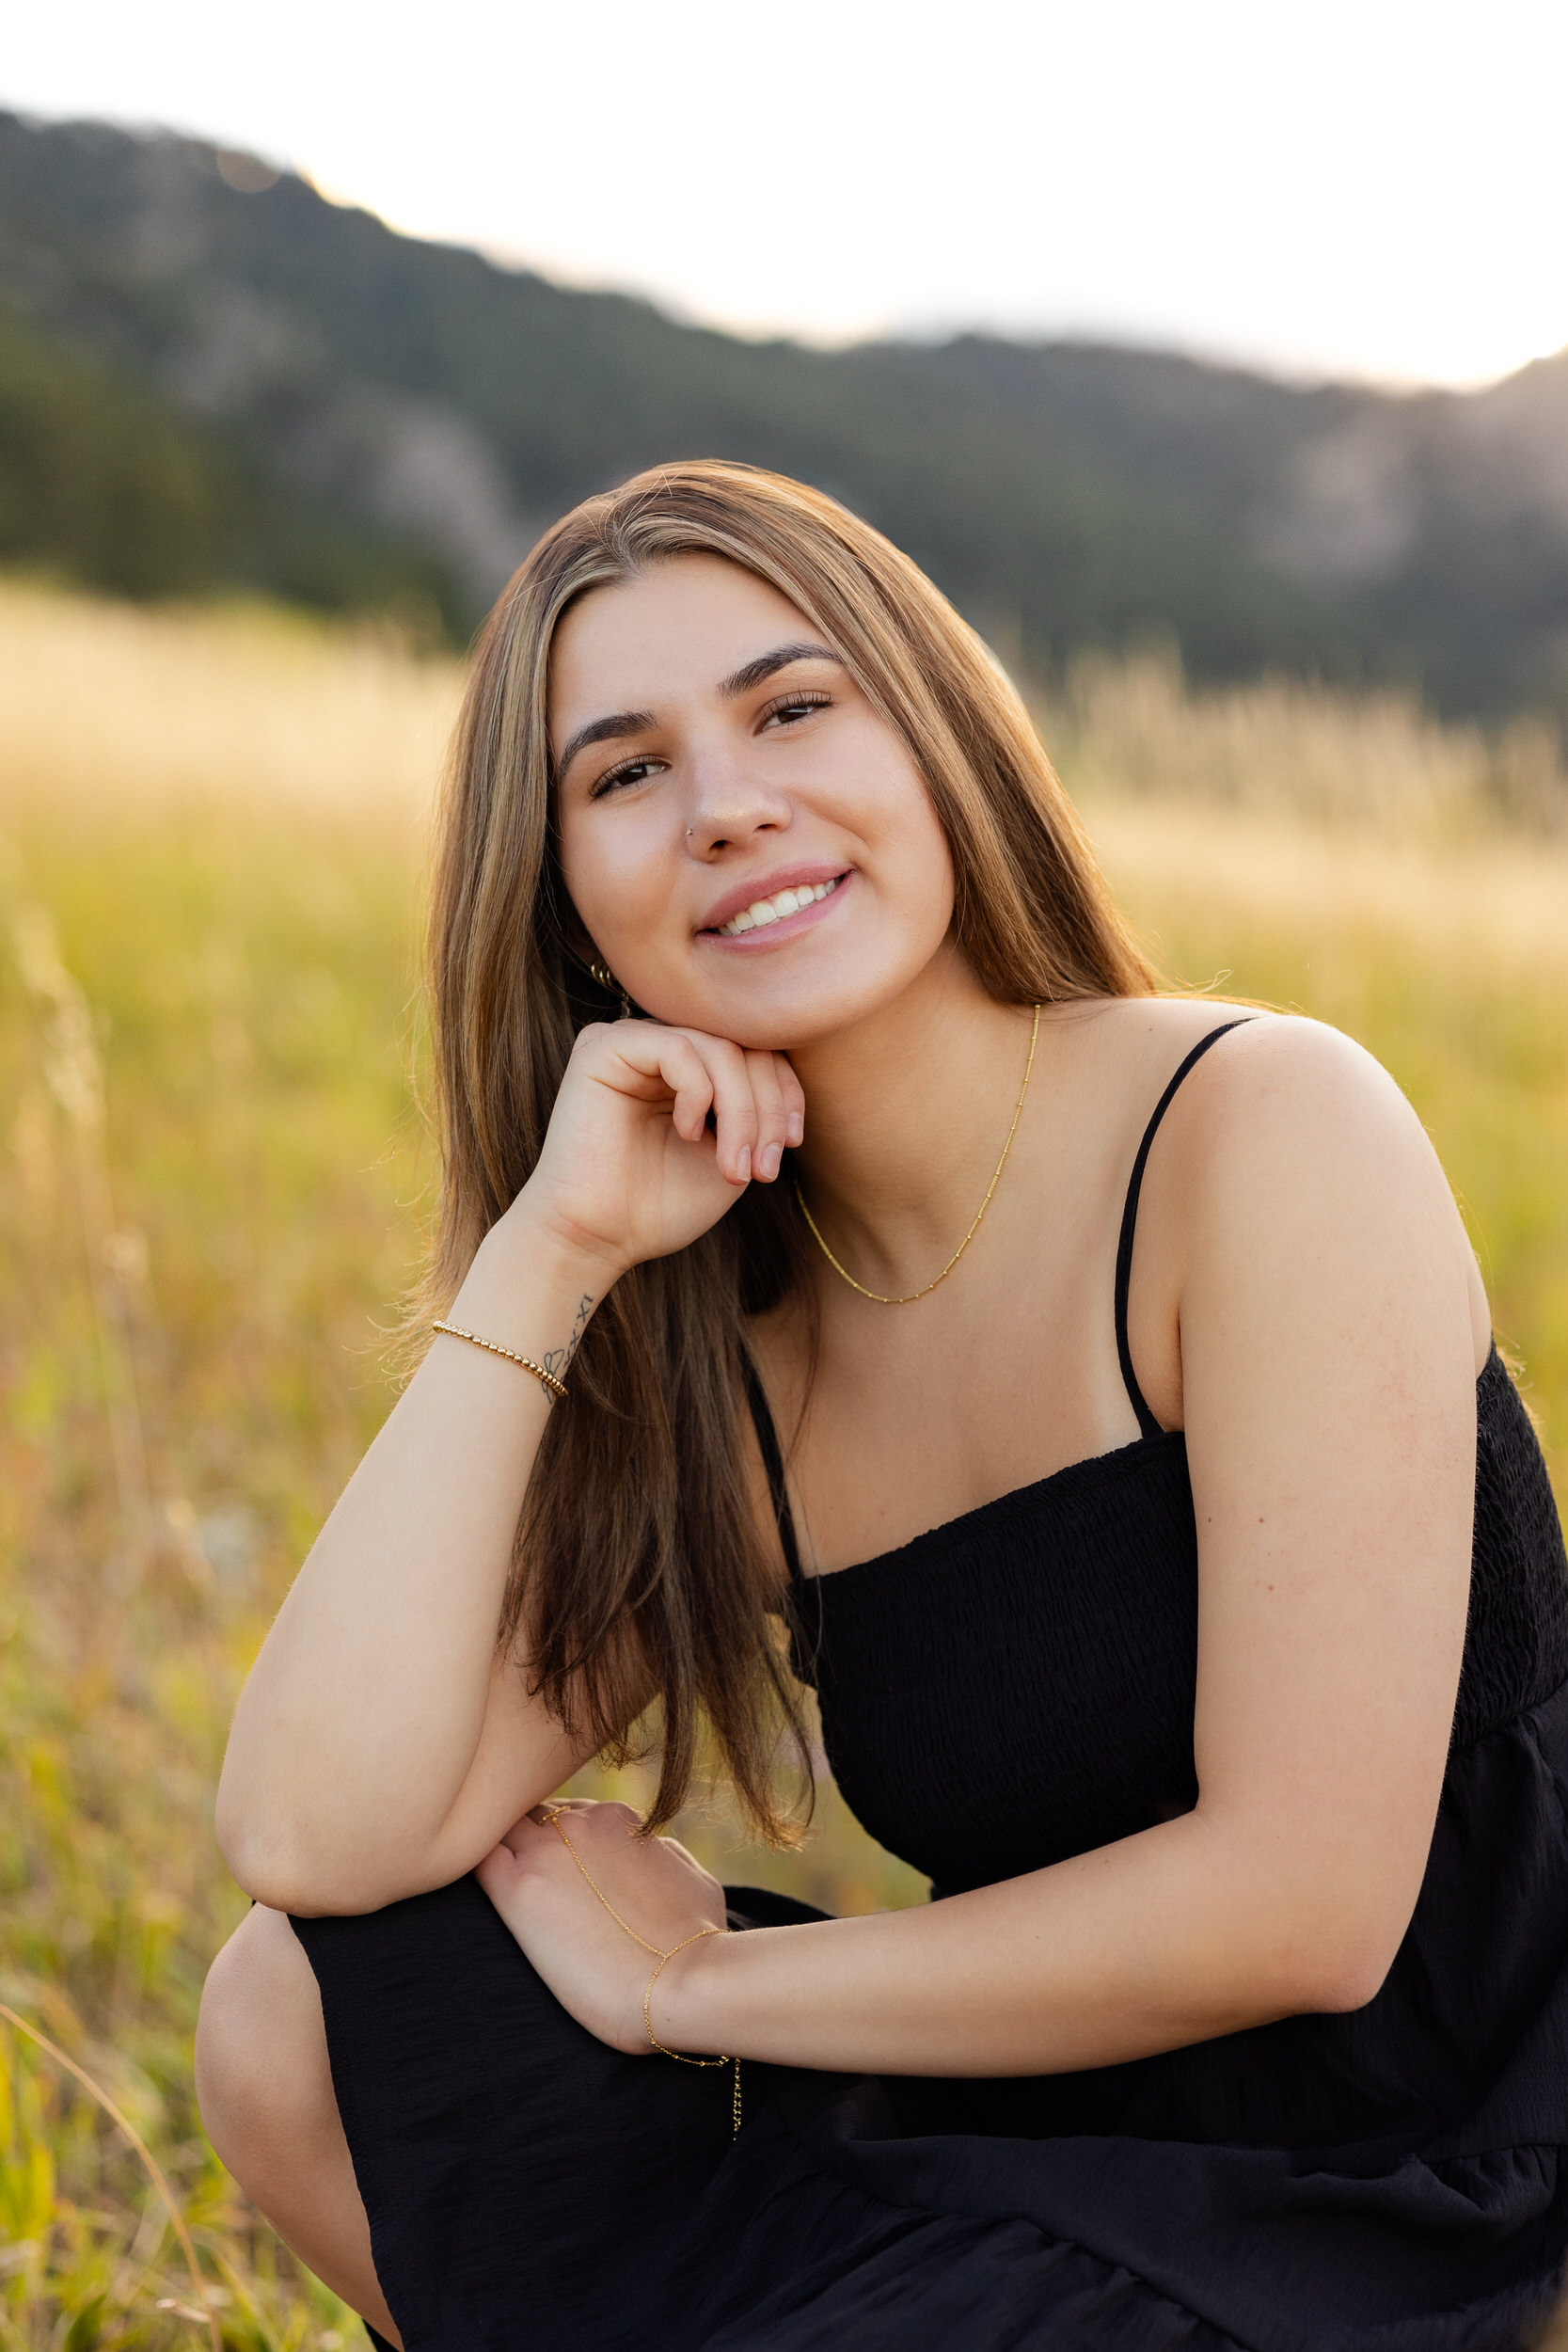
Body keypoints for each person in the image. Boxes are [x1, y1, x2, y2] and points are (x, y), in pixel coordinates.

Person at [194, 461, 1568, 2352]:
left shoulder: (1258, 1130)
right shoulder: (736, 1352)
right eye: (624, 771)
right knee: (296, 2004)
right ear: (571, 906)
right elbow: (310, 1827)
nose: (728, 802)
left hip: (1416, 2154)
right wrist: (548, 1247)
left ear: (933, 732)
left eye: (788, 706)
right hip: (1040, 2108)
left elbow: (1308, 1901)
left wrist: (692, 1987)